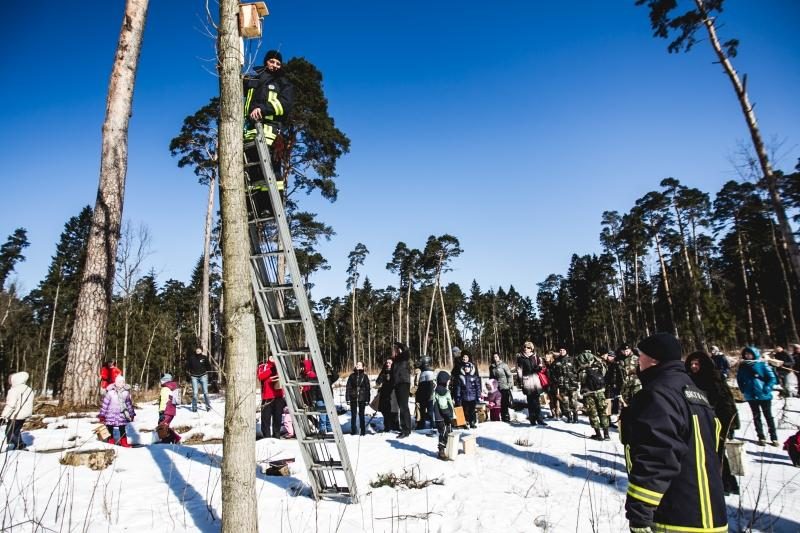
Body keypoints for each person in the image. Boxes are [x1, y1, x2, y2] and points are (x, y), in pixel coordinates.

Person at [621, 333, 727, 533]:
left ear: (653, 359)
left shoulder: (658, 394)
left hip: (676, 517)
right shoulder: (693, 392)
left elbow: (658, 455)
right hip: (711, 514)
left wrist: (640, 513)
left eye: (640, 355)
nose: (637, 360)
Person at [242, 50, 295, 216]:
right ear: (266, 62)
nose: (275, 65)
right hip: (250, 131)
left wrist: (262, 109)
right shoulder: (253, 79)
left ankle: (270, 208)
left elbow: (285, 104)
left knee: (272, 171)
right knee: (253, 173)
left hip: (271, 131)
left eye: (278, 63)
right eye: (272, 61)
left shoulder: (283, 83)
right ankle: (253, 209)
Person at [685, 351, 740, 495]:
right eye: (691, 364)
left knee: (718, 453)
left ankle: (726, 484)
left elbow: (727, 402)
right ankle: (723, 482)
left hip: (718, 421)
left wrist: (730, 425)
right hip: (702, 421)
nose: (693, 366)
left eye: (697, 364)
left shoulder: (714, 378)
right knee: (710, 453)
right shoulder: (690, 380)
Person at [736, 346, 779, 446]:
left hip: (763, 395)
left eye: (749, 354)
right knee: (756, 417)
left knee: (768, 416)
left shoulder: (762, 364)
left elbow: (772, 378)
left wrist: (767, 388)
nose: (747, 356)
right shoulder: (743, 366)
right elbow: (740, 379)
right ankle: (761, 436)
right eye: (746, 354)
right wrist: (743, 389)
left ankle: (774, 437)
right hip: (751, 395)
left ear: (754, 353)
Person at [576, 350, 610, 440]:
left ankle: (598, 435)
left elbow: (581, 380)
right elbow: (604, 374)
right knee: (603, 412)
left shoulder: (582, 370)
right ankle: (606, 434)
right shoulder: (599, 365)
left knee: (593, 414)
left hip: (588, 393)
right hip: (600, 392)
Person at [98, 375, 136, 447]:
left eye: (123, 382)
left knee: (122, 429)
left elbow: (129, 404)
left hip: (121, 415)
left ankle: (124, 442)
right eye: (119, 382)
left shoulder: (126, 393)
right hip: (110, 414)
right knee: (110, 428)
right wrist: (102, 415)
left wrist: (132, 414)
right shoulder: (110, 393)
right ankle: (111, 441)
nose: (121, 383)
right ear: (115, 383)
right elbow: (105, 405)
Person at [1, 372, 33, 451]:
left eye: (10, 379)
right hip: (24, 414)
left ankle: (21, 445)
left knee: (10, 432)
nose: (9, 381)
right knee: (16, 431)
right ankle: (18, 445)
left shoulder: (14, 390)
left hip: (16, 415)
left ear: (15, 379)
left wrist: (3, 416)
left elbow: (11, 405)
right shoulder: (28, 389)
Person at [517, 341, 546, 426]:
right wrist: (521, 382)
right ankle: (532, 420)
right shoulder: (521, 358)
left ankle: (540, 419)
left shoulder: (536, 357)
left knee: (537, 401)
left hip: (535, 380)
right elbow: (519, 371)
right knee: (530, 401)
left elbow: (541, 365)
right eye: (525, 347)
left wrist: (539, 368)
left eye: (528, 347)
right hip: (527, 381)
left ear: (531, 349)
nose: (526, 349)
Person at [258, 355, 285, 439]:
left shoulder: (280, 366)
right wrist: (271, 370)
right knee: (265, 418)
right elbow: (260, 376)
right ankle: (267, 437)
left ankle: (276, 436)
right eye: (272, 356)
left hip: (279, 396)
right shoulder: (263, 366)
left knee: (277, 418)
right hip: (267, 397)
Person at [550, 348, 579, 423]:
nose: (562, 352)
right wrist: (556, 380)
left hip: (572, 384)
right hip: (562, 385)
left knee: (573, 401)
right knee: (565, 401)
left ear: (566, 351)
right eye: (560, 350)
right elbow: (552, 373)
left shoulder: (572, 360)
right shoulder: (556, 361)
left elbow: (577, 370)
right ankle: (569, 416)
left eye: (563, 350)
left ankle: (575, 416)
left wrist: (576, 379)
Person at [454, 352, 482, 429]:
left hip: (471, 392)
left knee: (471, 409)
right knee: (459, 406)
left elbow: (477, 380)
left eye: (466, 357)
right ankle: (461, 422)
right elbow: (454, 376)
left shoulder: (473, 366)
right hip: (460, 389)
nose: (464, 358)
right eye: (463, 357)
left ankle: (471, 421)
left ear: (469, 358)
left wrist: (479, 394)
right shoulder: (458, 365)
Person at [391, 342, 413, 438]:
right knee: (401, 407)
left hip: (404, 383)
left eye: (397, 350)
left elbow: (407, 351)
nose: (395, 352)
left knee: (404, 406)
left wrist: (399, 344)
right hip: (397, 384)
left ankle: (406, 429)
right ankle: (404, 428)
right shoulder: (395, 361)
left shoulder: (404, 357)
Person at [432, 371, 456, 460]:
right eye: (448, 380)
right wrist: (449, 417)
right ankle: (441, 452)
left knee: (446, 432)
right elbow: (443, 406)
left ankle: (447, 449)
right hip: (443, 417)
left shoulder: (438, 389)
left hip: (440, 417)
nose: (449, 382)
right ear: (444, 381)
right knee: (444, 433)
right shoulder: (442, 391)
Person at [346, 361, 371, 436]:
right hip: (353, 397)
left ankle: (362, 431)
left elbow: (367, 388)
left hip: (362, 397)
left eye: (359, 365)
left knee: (361, 415)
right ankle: (353, 430)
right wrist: (347, 398)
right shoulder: (351, 376)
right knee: (353, 415)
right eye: (357, 364)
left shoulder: (365, 376)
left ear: (363, 367)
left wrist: (367, 399)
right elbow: (348, 387)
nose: (357, 365)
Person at [157, 373, 182, 444]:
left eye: (161, 379)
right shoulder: (173, 387)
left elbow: (164, 400)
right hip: (172, 411)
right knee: (165, 425)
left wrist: (162, 411)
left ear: (164, 380)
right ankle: (174, 439)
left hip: (166, 410)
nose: (160, 381)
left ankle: (168, 440)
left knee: (162, 426)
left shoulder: (165, 388)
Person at [489, 352, 514, 422]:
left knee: (505, 402)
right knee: (498, 402)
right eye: (494, 357)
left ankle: (505, 416)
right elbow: (491, 377)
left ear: (499, 357)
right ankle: (496, 416)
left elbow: (509, 375)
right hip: (496, 387)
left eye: (496, 357)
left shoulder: (504, 365)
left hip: (504, 386)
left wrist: (510, 384)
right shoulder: (491, 367)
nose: (495, 358)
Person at [186, 347, 212, 412]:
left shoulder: (204, 357)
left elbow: (208, 366)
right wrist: (188, 375)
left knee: (205, 392)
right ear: (195, 350)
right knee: (195, 393)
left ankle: (208, 406)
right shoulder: (192, 358)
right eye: (197, 349)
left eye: (199, 349)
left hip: (203, 376)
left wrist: (210, 374)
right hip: (194, 377)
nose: (198, 350)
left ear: (201, 350)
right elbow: (187, 367)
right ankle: (194, 407)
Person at [376, 358, 398, 432]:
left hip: (393, 393)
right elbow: (378, 381)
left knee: (394, 410)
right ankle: (387, 427)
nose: (387, 364)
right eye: (387, 362)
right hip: (384, 394)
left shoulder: (395, 371)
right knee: (385, 411)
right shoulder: (383, 372)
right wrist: (380, 381)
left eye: (389, 363)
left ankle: (395, 427)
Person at [415, 356, 436, 430]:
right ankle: (422, 424)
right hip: (423, 395)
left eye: (421, 362)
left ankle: (433, 425)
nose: (419, 363)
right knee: (422, 411)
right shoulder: (423, 372)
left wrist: (429, 395)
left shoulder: (428, 372)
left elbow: (430, 386)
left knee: (430, 412)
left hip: (428, 396)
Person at [604, 350, 625, 423]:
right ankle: (608, 420)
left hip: (615, 386)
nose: (610, 358)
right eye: (609, 356)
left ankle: (617, 417)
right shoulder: (605, 364)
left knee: (616, 402)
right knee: (608, 402)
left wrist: (620, 385)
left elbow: (620, 376)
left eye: (612, 356)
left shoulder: (616, 364)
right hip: (608, 386)